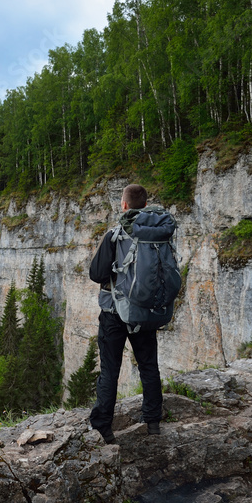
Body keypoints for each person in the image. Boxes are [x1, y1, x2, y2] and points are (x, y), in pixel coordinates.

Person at [87, 183, 175, 443]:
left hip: (115, 311)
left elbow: (97, 274)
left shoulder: (116, 234)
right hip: (146, 311)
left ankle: (103, 427)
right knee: (149, 365)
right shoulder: (160, 234)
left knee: (110, 370)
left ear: (124, 205)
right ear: (145, 205)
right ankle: (153, 421)